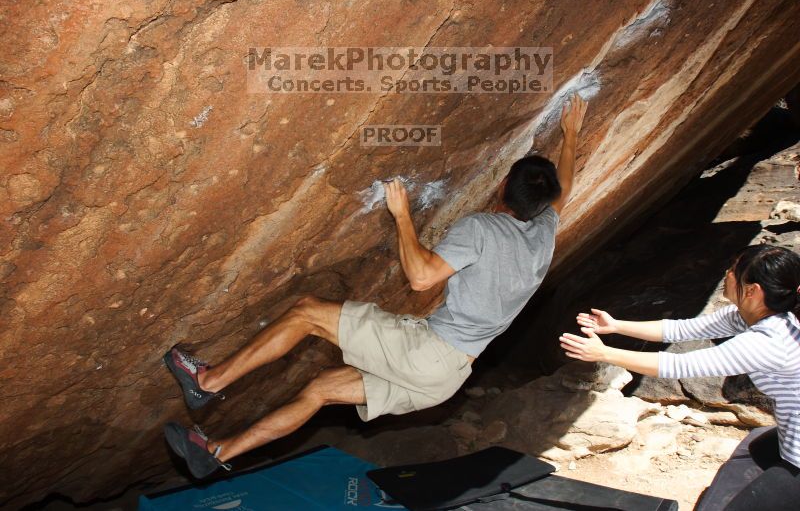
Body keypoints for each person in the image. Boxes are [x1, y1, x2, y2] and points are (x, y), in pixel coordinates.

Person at [162, 93, 588, 479]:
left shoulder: (483, 227)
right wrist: (571, 137)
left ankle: (208, 382)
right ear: (541, 205)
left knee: (307, 313)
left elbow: (421, 278)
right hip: (448, 378)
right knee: (321, 390)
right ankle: (216, 450)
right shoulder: (544, 232)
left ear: (501, 188)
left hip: (428, 353)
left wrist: (402, 216)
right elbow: (563, 190)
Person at [560, 244, 800, 510]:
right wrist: (616, 325)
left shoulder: (768, 342)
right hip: (789, 434)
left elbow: (677, 365)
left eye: (734, 270)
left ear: (753, 291)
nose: (727, 273)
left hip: (797, 456)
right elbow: (680, 329)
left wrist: (604, 353)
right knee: (749, 453)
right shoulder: (753, 318)